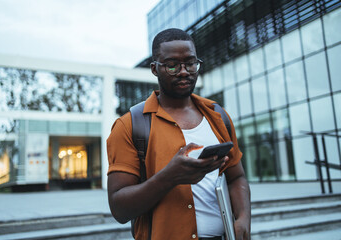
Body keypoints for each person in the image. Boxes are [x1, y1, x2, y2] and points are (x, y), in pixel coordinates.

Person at [107, 28, 251, 240]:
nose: (184, 71)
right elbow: (119, 209)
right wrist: (170, 177)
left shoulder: (219, 116)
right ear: (155, 69)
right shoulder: (130, 125)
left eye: (190, 63)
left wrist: (244, 218)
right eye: (172, 65)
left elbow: (236, 177)